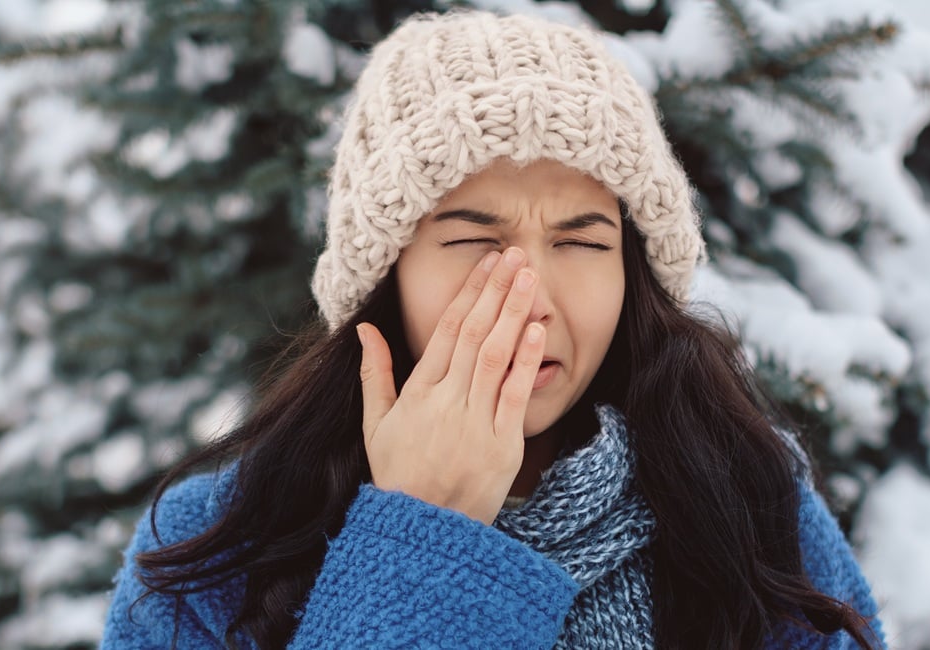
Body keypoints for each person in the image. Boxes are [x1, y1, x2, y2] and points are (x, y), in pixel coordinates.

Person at [101, 9, 886, 649]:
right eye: (473, 240)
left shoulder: (747, 503)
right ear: (386, 275)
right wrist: (421, 538)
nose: (530, 297)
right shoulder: (212, 553)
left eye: (581, 242)